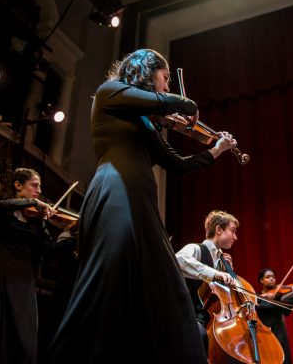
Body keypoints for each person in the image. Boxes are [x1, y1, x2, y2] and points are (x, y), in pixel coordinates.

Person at [47, 49, 236, 364]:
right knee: (106, 282)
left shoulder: (147, 124)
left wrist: (216, 150)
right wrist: (183, 104)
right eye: (163, 80)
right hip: (115, 194)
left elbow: (176, 165)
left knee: (169, 287)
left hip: (143, 202)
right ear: (148, 74)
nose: (165, 87)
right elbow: (164, 101)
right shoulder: (109, 94)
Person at [0, 168, 75, 364]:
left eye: (39, 187)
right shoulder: (2, 213)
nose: (39, 190)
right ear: (18, 185)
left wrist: (73, 237)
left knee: (22, 342)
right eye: (34, 185)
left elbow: (48, 250)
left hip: (22, 283)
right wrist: (31, 202)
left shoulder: (37, 222)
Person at [175, 210, 239, 354]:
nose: (235, 237)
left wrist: (231, 274)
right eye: (232, 231)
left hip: (214, 320)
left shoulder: (223, 261)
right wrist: (216, 274)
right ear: (218, 229)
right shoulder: (196, 248)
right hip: (193, 318)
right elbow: (179, 260)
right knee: (201, 336)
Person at [256, 268, 293, 364]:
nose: (272, 279)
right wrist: (263, 297)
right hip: (264, 334)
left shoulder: (280, 296)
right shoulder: (257, 297)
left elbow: (287, 311)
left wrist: (278, 299)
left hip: (279, 333)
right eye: (268, 277)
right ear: (261, 280)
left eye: (273, 277)